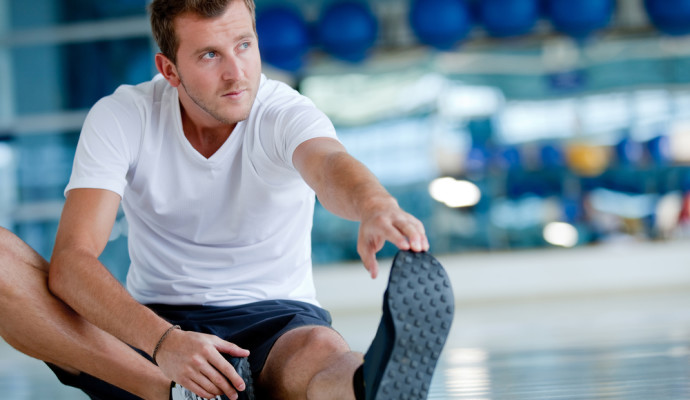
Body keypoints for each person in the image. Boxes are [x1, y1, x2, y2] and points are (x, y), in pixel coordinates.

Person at [0, 0, 454, 399]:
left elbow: (330, 164)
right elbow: (73, 261)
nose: (236, 72)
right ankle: (174, 395)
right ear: (169, 70)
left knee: (319, 355)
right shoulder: (122, 116)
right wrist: (165, 345)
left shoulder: (283, 111)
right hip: (151, 326)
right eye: (210, 55)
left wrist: (375, 204)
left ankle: (365, 386)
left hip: (276, 322)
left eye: (244, 45)